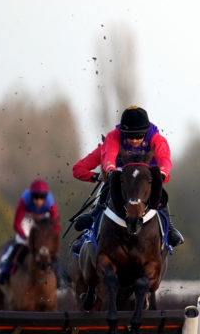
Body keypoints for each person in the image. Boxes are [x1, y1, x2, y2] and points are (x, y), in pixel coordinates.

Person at [70, 106, 183, 253]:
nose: (134, 141)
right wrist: (100, 174)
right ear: (122, 133)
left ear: (146, 132)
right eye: (129, 137)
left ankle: (170, 230)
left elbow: (165, 160)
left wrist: (162, 173)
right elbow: (95, 163)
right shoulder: (112, 138)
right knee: (110, 183)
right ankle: (90, 230)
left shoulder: (157, 139)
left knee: (158, 188)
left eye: (138, 137)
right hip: (120, 179)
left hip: (144, 180)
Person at [0, 179, 61, 285]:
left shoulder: (50, 202)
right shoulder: (24, 200)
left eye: (42, 197)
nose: (38, 201)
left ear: (46, 197)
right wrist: (25, 239)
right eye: (35, 197)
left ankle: (58, 274)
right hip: (27, 218)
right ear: (31, 196)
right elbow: (17, 224)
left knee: (49, 249)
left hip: (43, 220)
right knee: (18, 244)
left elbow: (56, 224)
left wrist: (51, 238)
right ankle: (5, 270)